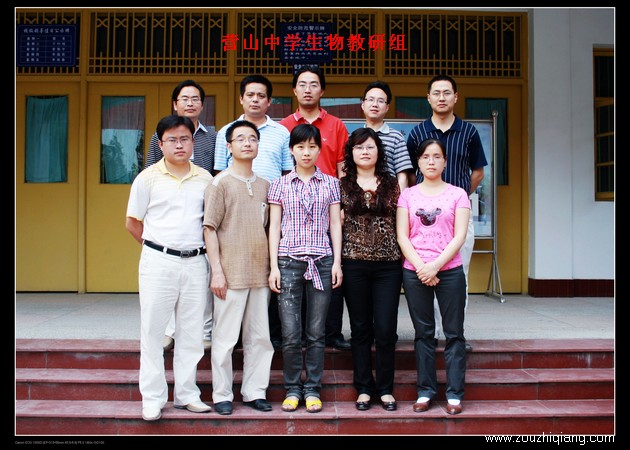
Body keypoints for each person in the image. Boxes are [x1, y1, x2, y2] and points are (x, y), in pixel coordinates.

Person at [125, 114, 213, 421]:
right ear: (160, 144)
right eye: (172, 140)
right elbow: (132, 223)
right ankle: (152, 398)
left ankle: (187, 394)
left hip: (196, 262)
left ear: (193, 142)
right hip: (158, 261)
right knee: (153, 331)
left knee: (191, 332)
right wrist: (158, 248)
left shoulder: (205, 178)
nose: (179, 145)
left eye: (185, 139)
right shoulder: (147, 178)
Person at [406, 74, 488, 352]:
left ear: (456, 97)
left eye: (447, 92)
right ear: (428, 98)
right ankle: (429, 335)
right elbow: (410, 174)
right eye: (436, 93)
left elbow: (478, 173)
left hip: (457, 217)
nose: (442, 97)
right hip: (423, 220)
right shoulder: (417, 133)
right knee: (425, 274)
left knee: (458, 275)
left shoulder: (469, 132)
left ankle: (454, 335)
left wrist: (458, 199)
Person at [213, 74, 293, 351]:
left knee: (268, 271)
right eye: (250, 95)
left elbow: (287, 172)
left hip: (271, 208)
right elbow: (218, 171)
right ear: (241, 98)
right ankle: (232, 336)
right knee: (234, 272)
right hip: (235, 212)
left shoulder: (281, 133)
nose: (255, 100)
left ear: (269, 101)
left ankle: (269, 333)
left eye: (261, 96)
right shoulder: (226, 132)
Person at [268, 123, 343, 414]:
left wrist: (337, 262)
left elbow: (335, 224)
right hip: (288, 262)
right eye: (300, 147)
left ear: (319, 149)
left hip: (322, 261)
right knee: (290, 333)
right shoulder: (280, 184)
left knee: (315, 332)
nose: (306, 152)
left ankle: (312, 389)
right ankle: (292, 389)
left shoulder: (331, 184)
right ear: (291, 150)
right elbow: (274, 227)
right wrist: (273, 266)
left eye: (312, 146)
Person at [203, 119, 274, 416]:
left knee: (260, 338)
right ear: (229, 147)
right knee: (225, 339)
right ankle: (222, 394)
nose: (247, 143)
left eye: (252, 139)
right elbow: (209, 229)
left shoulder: (265, 185)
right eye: (240, 139)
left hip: (260, 273)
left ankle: (254, 392)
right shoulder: (219, 183)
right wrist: (217, 272)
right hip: (230, 274)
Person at [396, 138, 470, 415]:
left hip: (449, 271)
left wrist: (435, 266)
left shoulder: (458, 194)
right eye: (426, 156)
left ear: (445, 162)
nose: (431, 161)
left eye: (437, 156)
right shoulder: (408, 195)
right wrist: (421, 267)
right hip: (415, 271)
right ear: (418, 161)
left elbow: (459, 236)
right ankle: (425, 391)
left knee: (454, 333)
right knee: (423, 333)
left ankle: (454, 395)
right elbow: (402, 236)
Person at [279, 65, 351, 351]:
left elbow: (343, 167)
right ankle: (291, 335)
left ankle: (331, 332)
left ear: (322, 90)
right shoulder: (283, 126)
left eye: (313, 84)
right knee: (292, 272)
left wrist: (342, 204)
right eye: (302, 84)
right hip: (294, 207)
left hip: (328, 206)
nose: (307, 89)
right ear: (294, 90)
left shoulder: (336, 125)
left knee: (330, 268)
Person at [144, 79, 217, 353]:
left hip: (201, 209)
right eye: (184, 99)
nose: (190, 103)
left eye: (195, 99)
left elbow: (216, 172)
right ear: (175, 104)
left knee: (202, 273)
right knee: (167, 278)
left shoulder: (212, 136)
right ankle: (167, 331)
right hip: (168, 212)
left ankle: (204, 331)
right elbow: (150, 171)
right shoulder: (160, 135)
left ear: (202, 105)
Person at [339, 128, 402, 412]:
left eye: (370, 147)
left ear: (379, 151)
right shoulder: (341, 185)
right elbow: (335, 224)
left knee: (386, 328)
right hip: (353, 263)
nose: (365, 152)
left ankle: (386, 389)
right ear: (351, 153)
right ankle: (364, 388)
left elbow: (402, 223)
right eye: (359, 147)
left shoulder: (392, 184)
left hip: (389, 265)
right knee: (360, 327)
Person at [360, 81, 415, 191]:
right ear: (363, 104)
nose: (375, 104)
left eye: (380, 101)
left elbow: (402, 176)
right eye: (370, 99)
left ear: (387, 107)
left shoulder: (396, 137)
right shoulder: (354, 138)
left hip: (388, 197)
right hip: (360, 197)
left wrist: (400, 200)